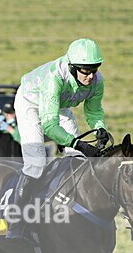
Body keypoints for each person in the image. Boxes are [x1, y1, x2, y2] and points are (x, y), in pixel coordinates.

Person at [13, 38, 112, 202]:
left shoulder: (97, 81)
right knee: (36, 163)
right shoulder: (54, 78)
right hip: (30, 103)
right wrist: (78, 143)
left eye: (94, 70)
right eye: (85, 72)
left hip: (57, 105)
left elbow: (94, 111)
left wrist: (100, 128)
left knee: (78, 158)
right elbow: (50, 127)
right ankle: (16, 217)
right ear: (72, 68)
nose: (91, 76)